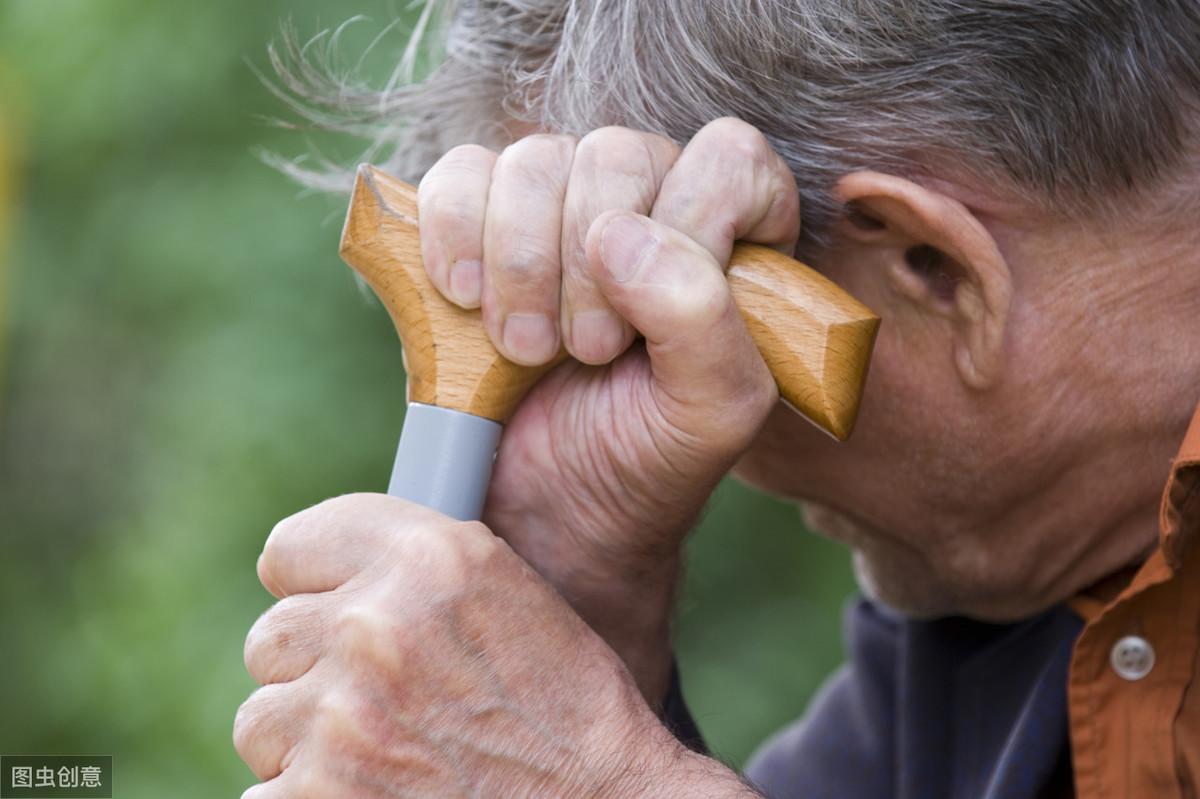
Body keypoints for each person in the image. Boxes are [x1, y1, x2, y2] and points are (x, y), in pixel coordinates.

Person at [235, 2, 1200, 796]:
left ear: (934, 269)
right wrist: (572, 576)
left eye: (645, 329)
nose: (718, 436)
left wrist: (595, 782)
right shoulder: (1010, 572)